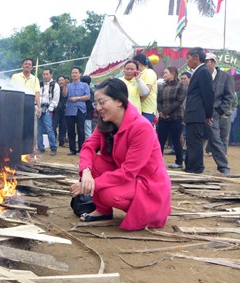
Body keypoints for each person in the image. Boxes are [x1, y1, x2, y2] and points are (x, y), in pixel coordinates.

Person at [70, 78, 171, 231]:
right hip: (127, 177)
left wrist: (93, 184)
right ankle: (103, 211)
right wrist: (86, 172)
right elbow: (88, 147)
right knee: (95, 163)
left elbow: (128, 171)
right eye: (96, 103)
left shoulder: (141, 127)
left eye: (102, 102)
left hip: (147, 184)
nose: (98, 108)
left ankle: (148, 213)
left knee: (107, 194)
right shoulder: (105, 122)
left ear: (119, 101)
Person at [183, 47, 215, 174]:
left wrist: (208, 115)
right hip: (193, 114)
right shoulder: (198, 71)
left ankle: (195, 169)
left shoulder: (203, 72)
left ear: (196, 57)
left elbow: (208, 94)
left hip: (197, 114)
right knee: (191, 142)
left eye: (188, 58)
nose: (187, 61)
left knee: (195, 143)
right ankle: (190, 166)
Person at [205, 53, 236, 156]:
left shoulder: (226, 76)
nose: (205, 64)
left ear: (213, 62)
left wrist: (220, 111)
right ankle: (208, 152)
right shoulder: (202, 75)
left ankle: (222, 158)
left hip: (220, 112)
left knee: (221, 135)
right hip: (203, 112)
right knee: (204, 136)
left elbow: (230, 96)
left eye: (207, 61)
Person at [156, 66, 187, 169]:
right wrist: (162, 112)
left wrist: (166, 112)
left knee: (175, 139)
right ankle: (157, 162)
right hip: (163, 118)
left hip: (176, 117)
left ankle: (179, 162)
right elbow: (158, 101)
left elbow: (179, 101)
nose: (164, 74)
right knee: (160, 140)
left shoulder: (180, 86)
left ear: (173, 74)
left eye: (166, 73)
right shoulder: (162, 87)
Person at [62, 66, 91, 155]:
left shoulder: (84, 85)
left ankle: (82, 149)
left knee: (81, 130)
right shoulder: (68, 85)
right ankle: (72, 149)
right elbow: (64, 95)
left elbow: (88, 96)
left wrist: (77, 98)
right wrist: (64, 85)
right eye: (72, 73)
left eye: (76, 73)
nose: (74, 74)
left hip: (80, 109)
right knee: (70, 130)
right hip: (69, 110)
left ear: (80, 74)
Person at [37, 68, 60, 156]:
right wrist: (37, 107)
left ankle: (53, 148)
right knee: (39, 130)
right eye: (44, 74)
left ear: (51, 75)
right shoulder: (40, 84)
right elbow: (37, 95)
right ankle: (40, 148)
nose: (45, 76)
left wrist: (49, 109)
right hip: (39, 108)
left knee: (49, 129)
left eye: (47, 74)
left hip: (48, 109)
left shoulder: (55, 85)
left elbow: (55, 99)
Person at [132, 54, 158, 124]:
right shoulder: (138, 73)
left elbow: (145, 93)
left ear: (137, 63)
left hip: (146, 109)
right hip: (138, 108)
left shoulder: (149, 72)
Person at [53, 76, 68, 147]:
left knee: (63, 127)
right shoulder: (55, 88)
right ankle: (53, 140)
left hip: (65, 110)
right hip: (56, 110)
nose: (61, 81)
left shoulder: (67, 88)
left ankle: (62, 142)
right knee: (53, 126)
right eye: (60, 80)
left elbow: (65, 96)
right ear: (57, 81)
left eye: (62, 80)